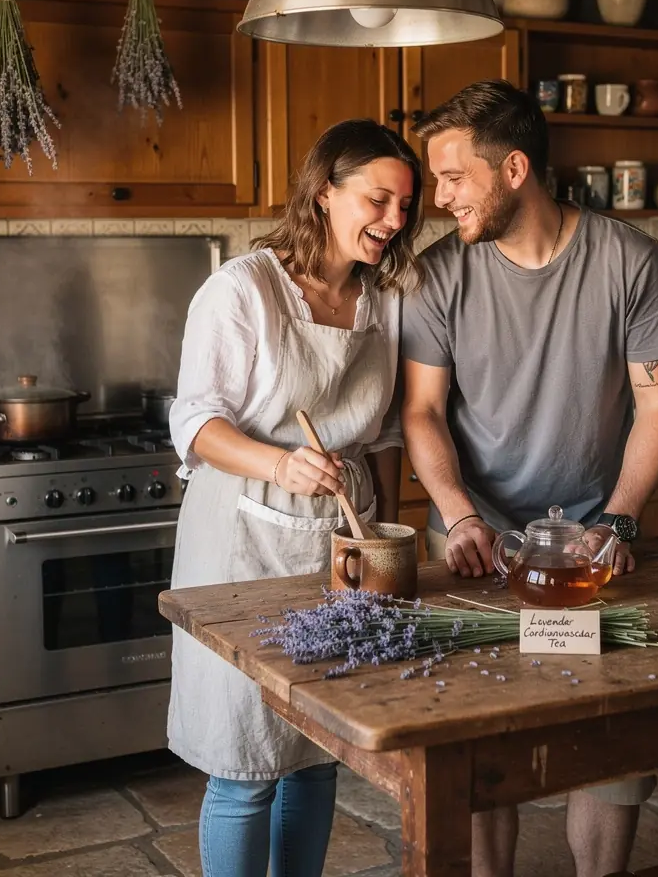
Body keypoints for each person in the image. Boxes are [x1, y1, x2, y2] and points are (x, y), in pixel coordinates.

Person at [400, 80, 658, 877]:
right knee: (485, 737)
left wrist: (620, 521)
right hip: (476, 534)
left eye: (454, 177)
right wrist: (460, 517)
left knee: (610, 736)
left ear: (514, 168)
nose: (439, 196)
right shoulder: (435, 276)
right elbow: (422, 412)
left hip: (597, 535)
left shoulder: (628, 258)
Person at [167, 118, 423, 877]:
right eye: (379, 199)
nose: (395, 222)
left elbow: (384, 428)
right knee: (247, 765)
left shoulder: (385, 300)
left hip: (340, 542)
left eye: (406, 207)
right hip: (243, 541)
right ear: (323, 193)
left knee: (316, 756)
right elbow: (195, 423)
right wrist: (281, 466)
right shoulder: (243, 290)